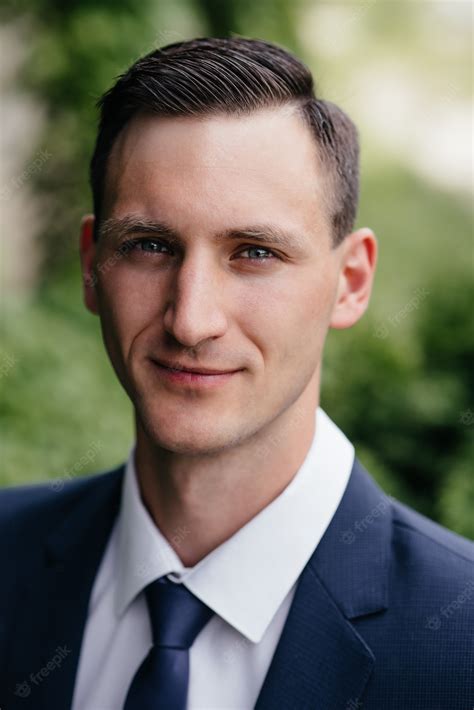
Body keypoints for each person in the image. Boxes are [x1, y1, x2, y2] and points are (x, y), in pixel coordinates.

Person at [0, 37, 472, 710]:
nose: (191, 320)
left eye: (254, 252)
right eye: (150, 246)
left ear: (351, 281)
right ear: (90, 266)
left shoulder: (461, 645)